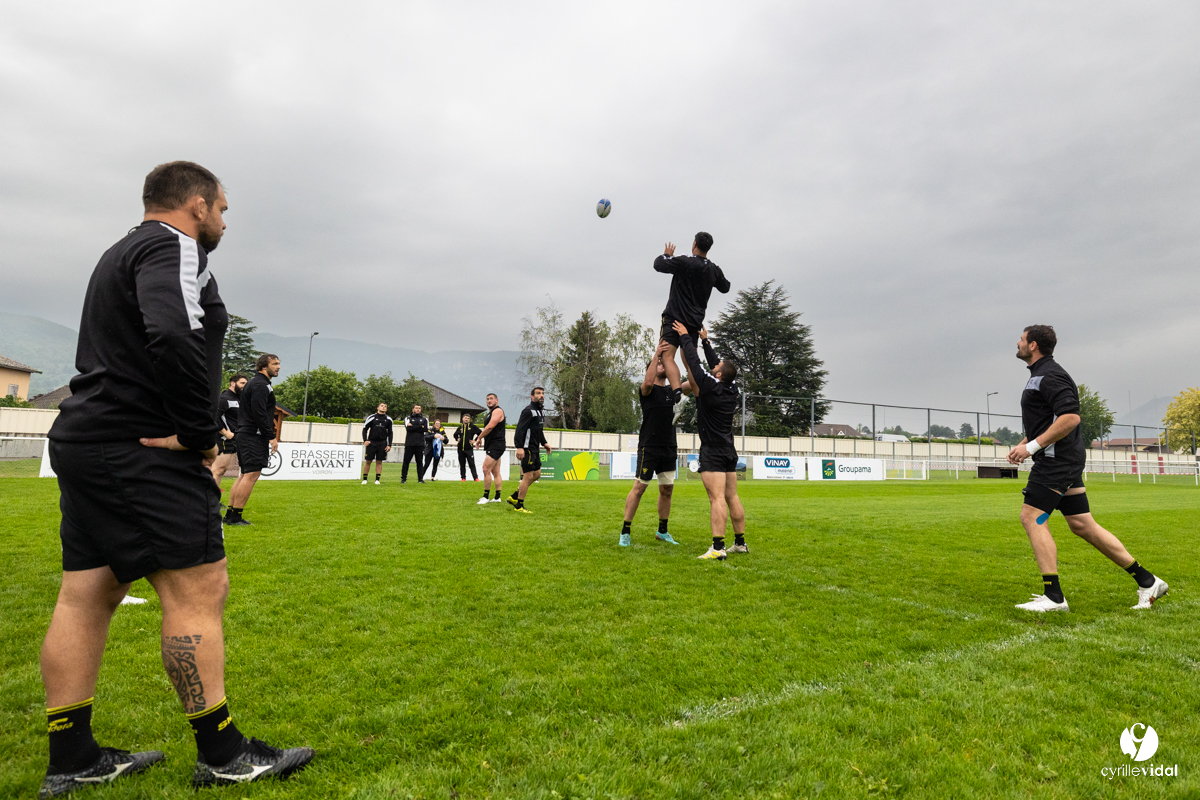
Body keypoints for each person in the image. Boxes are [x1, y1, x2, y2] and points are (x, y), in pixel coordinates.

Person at [39, 161, 312, 798]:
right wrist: (197, 433)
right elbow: (170, 331)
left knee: (87, 594)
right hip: (140, 450)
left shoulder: (120, 251)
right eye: (221, 210)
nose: (223, 222)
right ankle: (222, 754)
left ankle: (73, 756)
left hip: (89, 441)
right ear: (195, 204)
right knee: (197, 590)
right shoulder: (174, 246)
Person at [1006, 325, 1169, 612]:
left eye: (1021, 339)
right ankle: (1147, 580)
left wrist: (1031, 448)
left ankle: (1054, 598)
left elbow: (1070, 418)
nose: (1017, 343)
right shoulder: (1039, 375)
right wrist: (1025, 443)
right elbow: (1049, 421)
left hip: (1058, 462)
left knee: (1033, 517)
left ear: (1033, 345)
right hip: (1061, 459)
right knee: (1082, 524)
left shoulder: (1050, 375)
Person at [669, 320, 746, 560]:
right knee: (731, 496)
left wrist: (685, 337)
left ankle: (718, 548)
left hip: (712, 450)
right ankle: (740, 543)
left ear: (719, 374)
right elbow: (713, 365)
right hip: (729, 450)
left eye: (719, 366)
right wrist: (705, 340)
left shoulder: (710, 388)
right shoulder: (732, 389)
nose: (716, 364)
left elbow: (694, 364)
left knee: (716, 498)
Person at [620, 342, 681, 546]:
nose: (664, 365)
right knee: (639, 488)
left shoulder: (673, 392)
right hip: (650, 447)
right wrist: (657, 355)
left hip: (669, 448)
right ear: (653, 368)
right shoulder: (647, 390)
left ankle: (662, 531)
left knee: (667, 490)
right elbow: (647, 382)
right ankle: (625, 531)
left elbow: (691, 384)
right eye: (660, 364)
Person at [653, 232, 730, 364]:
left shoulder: (686, 262)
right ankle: (695, 385)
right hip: (694, 322)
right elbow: (725, 287)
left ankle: (676, 386)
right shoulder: (713, 269)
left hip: (674, 318)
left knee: (667, 357)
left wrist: (667, 255)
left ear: (694, 244)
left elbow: (658, 264)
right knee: (691, 363)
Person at [226, 354, 280, 526]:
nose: (278, 367)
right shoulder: (260, 385)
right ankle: (235, 517)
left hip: (246, 433)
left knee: (245, 474)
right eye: (275, 364)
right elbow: (259, 413)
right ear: (264, 366)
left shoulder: (258, 384)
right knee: (251, 474)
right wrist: (271, 436)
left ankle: (230, 514)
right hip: (252, 434)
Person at [508, 387, 553, 513]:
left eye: (543, 393)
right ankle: (519, 506)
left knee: (537, 474)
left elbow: (538, 430)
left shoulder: (541, 412)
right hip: (527, 448)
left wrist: (544, 443)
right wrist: (519, 447)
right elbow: (520, 430)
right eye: (538, 393)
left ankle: (514, 496)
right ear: (532, 397)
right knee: (527, 476)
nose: (542, 395)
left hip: (535, 448)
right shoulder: (528, 411)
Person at [210, 374, 248, 493]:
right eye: (242, 383)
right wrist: (225, 432)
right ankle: (210, 501)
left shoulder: (239, 399)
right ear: (232, 383)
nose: (244, 386)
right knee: (217, 470)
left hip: (232, 440)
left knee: (221, 470)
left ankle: (214, 501)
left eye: (245, 384)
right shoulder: (224, 398)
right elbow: (213, 417)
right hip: (222, 439)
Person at [474, 393, 506, 504]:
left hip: (496, 444)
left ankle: (486, 496)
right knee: (495, 472)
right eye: (487, 399)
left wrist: (479, 437)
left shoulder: (497, 411)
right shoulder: (490, 413)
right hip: (493, 444)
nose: (489, 401)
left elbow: (491, 426)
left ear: (497, 400)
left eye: (491, 399)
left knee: (485, 469)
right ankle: (497, 497)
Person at [361, 403, 393, 485]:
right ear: (378, 407)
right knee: (368, 461)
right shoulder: (372, 417)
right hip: (372, 442)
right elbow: (365, 429)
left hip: (382, 443)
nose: (384, 407)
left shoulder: (388, 419)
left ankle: (377, 480)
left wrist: (389, 445)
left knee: (379, 461)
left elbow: (390, 433)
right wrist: (365, 440)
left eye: (385, 406)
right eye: (382, 406)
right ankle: (365, 479)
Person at [401, 404, 429, 484]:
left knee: (419, 462)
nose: (418, 409)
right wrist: (420, 427)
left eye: (419, 408)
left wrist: (414, 426)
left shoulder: (424, 419)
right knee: (406, 461)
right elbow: (408, 428)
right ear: (413, 409)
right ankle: (403, 479)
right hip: (409, 444)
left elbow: (426, 429)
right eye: (416, 408)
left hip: (420, 444)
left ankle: (420, 479)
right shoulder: (408, 418)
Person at [455, 413, 482, 481]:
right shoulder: (460, 428)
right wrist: (457, 439)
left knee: (472, 464)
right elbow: (455, 434)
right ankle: (463, 478)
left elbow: (481, 433)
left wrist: (475, 440)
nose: (466, 419)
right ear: (462, 419)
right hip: (460, 449)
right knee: (462, 464)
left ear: (469, 420)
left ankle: (475, 478)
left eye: (468, 418)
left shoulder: (473, 427)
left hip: (469, 449)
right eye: (465, 418)